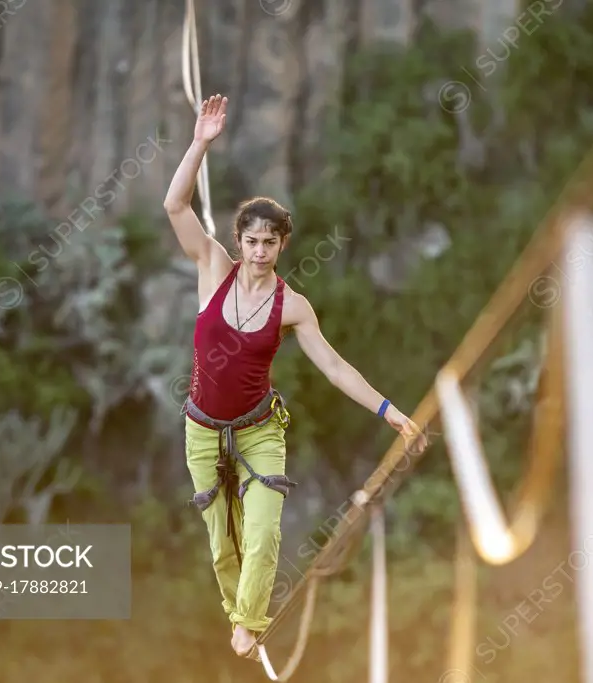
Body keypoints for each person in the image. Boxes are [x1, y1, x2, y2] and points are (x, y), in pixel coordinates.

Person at [163, 94, 428, 659]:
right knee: (221, 541)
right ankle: (238, 610)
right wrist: (201, 142)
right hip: (203, 429)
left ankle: (247, 622)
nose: (260, 252)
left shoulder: (294, 307)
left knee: (262, 534)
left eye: (270, 243)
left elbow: (333, 367)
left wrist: (390, 412)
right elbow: (174, 205)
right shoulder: (212, 268)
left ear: (284, 245)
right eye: (252, 241)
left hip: (260, 429)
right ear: (239, 242)